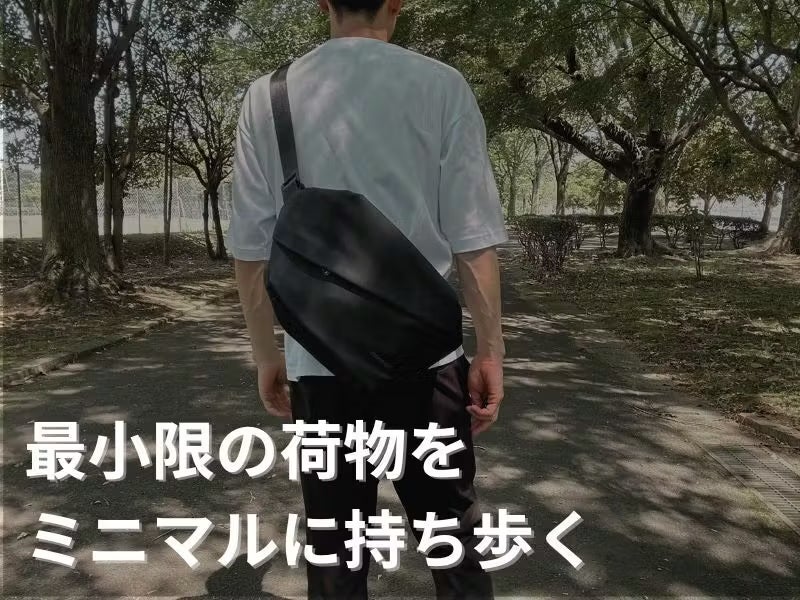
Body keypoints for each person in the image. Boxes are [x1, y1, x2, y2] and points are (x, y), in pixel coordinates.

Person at [228, 0, 508, 597]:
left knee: (335, 551)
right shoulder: (442, 87)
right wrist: (490, 352)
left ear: (323, 3)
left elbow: (251, 249)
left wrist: (267, 354)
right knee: (452, 541)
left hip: (319, 365)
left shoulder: (267, 96)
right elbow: (472, 238)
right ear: (398, 3)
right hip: (426, 365)